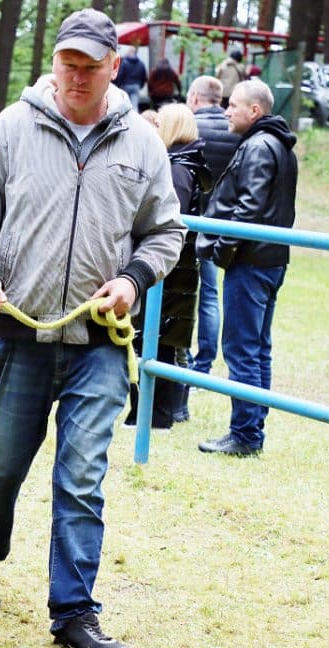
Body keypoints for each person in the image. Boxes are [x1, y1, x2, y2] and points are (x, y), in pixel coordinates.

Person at [0, 9, 184, 648]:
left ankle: (74, 610)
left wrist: (134, 279)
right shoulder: (13, 129)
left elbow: (166, 231)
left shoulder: (140, 142)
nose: (76, 77)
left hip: (101, 339)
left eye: (90, 66)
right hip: (18, 328)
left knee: (82, 476)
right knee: (0, 468)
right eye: (66, 64)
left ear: (114, 67)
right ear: (53, 64)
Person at [197, 80, 297, 457]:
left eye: (234, 105)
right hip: (271, 260)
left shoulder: (258, 146)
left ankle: (245, 433)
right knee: (258, 349)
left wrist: (222, 249)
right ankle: (252, 427)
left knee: (241, 348)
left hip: (252, 262)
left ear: (254, 110)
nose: (226, 111)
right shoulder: (280, 145)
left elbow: (248, 207)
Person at [124, 104, 211, 428]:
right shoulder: (185, 164)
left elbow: (168, 217)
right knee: (157, 340)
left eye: (160, 122)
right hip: (175, 270)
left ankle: (153, 415)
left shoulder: (177, 168)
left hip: (171, 272)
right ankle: (151, 412)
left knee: (155, 340)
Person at [185, 75, 241, 380]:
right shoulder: (237, 133)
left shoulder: (191, 128)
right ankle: (204, 363)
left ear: (195, 96)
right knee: (209, 294)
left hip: (190, 220)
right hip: (219, 223)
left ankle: (182, 357)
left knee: (183, 293)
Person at [112, 45, 146, 111]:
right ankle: (134, 120)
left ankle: (124, 119)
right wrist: (140, 85)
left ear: (129, 52)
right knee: (134, 106)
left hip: (125, 86)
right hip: (136, 86)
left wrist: (118, 84)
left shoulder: (124, 62)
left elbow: (120, 75)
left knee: (124, 104)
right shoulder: (141, 63)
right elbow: (143, 76)